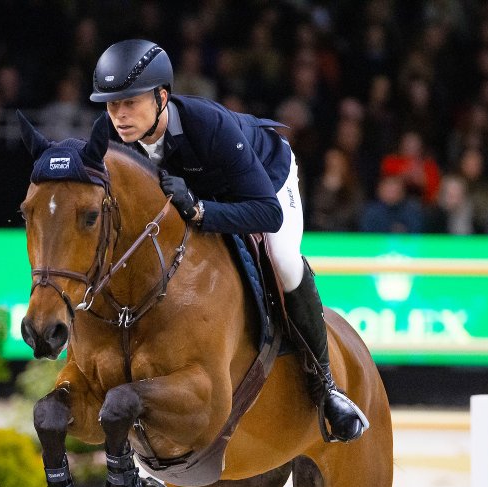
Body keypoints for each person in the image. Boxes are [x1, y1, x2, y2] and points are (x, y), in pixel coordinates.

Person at [88, 39, 367, 442]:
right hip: (199, 196)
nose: (119, 115)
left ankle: (326, 388)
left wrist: (201, 211)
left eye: (130, 102)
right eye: (111, 105)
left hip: (264, 180)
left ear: (162, 97)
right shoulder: (111, 137)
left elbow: (267, 214)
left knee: (282, 258)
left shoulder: (208, 126)